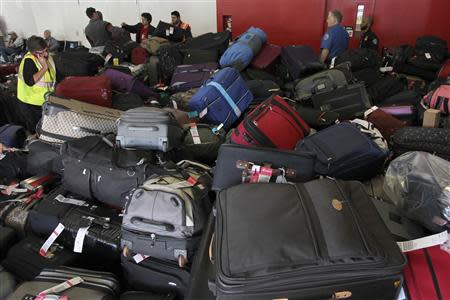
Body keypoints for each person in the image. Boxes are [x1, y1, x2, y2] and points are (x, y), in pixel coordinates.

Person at [17, 36, 56, 133]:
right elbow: (30, 81)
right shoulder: (29, 60)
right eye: (42, 52)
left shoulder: (47, 57)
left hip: (44, 101)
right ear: (33, 52)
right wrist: (44, 67)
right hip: (30, 103)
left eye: (46, 50)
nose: (46, 53)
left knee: (46, 127)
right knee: (36, 128)